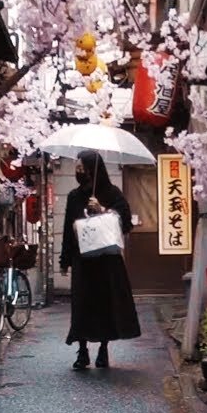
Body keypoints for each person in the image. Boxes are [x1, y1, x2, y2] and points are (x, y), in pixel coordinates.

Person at [59, 150, 141, 369]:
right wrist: (64, 260)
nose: (78, 172)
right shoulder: (74, 196)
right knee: (82, 305)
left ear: (92, 169)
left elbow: (126, 222)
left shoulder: (112, 193)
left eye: (81, 168)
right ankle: (82, 351)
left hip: (106, 261)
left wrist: (104, 210)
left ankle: (103, 350)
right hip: (83, 261)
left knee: (105, 305)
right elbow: (69, 228)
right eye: (76, 169)